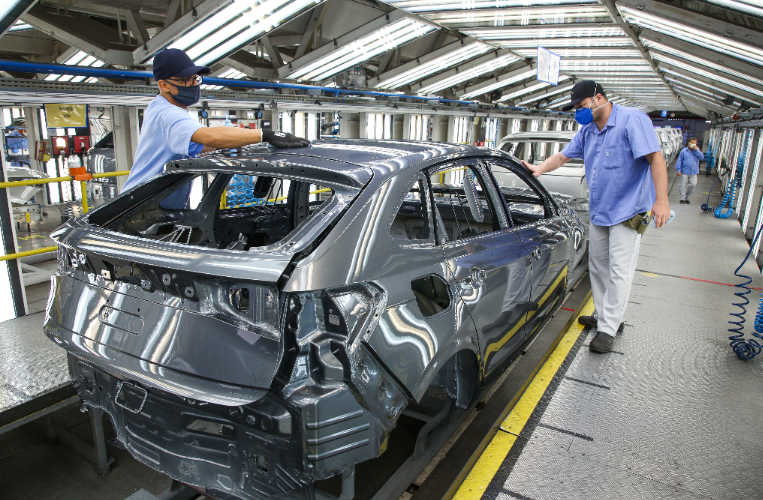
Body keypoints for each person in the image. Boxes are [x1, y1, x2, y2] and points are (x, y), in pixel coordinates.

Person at [521, 80, 670, 353]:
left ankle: (609, 329)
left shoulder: (631, 121)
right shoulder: (588, 130)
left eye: (582, 106)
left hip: (629, 210)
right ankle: (604, 317)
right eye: (576, 109)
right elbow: (563, 157)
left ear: (598, 98)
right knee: (599, 267)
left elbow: (655, 159)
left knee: (619, 270)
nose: (579, 112)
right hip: (601, 210)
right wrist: (539, 169)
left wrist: (661, 201)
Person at [121, 48, 309, 206]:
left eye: (195, 78)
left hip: (152, 205)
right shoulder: (167, 114)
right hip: (139, 208)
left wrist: (246, 144)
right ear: (164, 85)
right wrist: (265, 134)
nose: (194, 84)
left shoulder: (166, 109)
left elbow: (203, 146)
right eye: (186, 80)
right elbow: (208, 137)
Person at [675, 137, 704, 204]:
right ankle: (682, 198)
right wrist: (678, 170)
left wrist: (697, 150)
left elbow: (701, 157)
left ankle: (687, 197)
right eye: (692, 143)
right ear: (689, 143)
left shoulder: (697, 151)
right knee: (682, 185)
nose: (694, 145)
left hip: (694, 172)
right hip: (684, 171)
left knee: (693, 184)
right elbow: (679, 161)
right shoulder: (683, 151)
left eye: (695, 144)